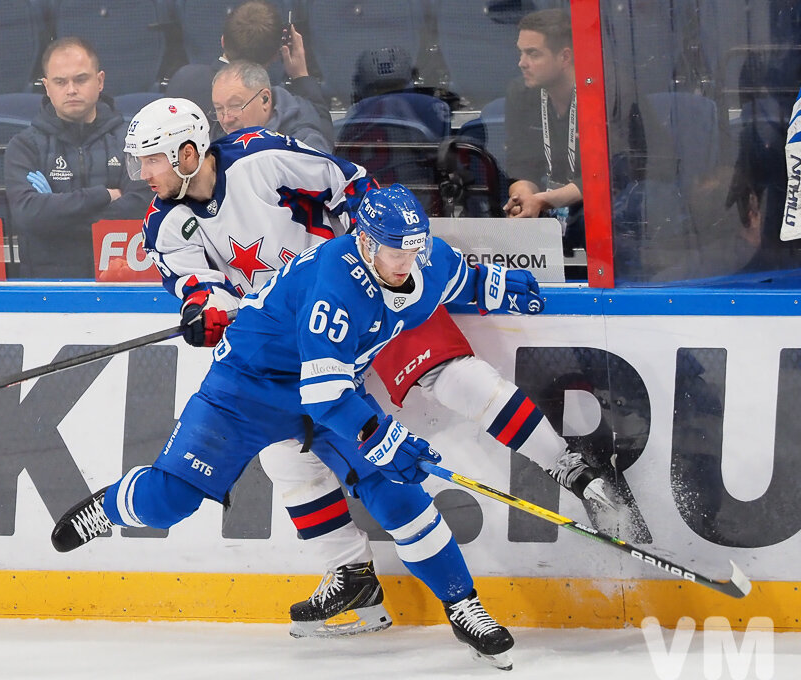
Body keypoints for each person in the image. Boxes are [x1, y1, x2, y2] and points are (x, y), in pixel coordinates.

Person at [117, 98, 624, 639]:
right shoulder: (164, 224)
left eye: (152, 159)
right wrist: (207, 309)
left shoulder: (258, 158)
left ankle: (569, 467)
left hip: (370, 292)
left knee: (456, 376)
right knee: (289, 458)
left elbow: (352, 184)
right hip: (297, 334)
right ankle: (352, 578)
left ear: (187, 151)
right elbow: (196, 288)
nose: (143, 174)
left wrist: (378, 258)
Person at [52, 184, 547, 670]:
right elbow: (326, 396)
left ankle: (463, 606)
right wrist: (387, 440)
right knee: (168, 502)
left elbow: (460, 280)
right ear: (367, 243)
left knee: (396, 490)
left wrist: (501, 289)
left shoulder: (424, 258)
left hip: (326, 386)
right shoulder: (336, 282)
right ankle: (109, 507)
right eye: (396, 251)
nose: (407, 262)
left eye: (414, 249)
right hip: (246, 387)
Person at [4, 37, 151, 278]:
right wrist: (103, 195)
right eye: (60, 82)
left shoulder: (132, 139)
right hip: (46, 285)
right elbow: (27, 215)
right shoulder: (23, 145)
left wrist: (56, 213)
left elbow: (141, 207)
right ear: (47, 86)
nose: (71, 89)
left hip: (121, 278)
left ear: (100, 81)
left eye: (81, 79)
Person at [167, 0, 329, 141]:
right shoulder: (278, 103)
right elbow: (323, 141)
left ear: (223, 41)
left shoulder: (183, 80)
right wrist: (301, 75)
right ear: (276, 54)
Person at [503, 9, 585, 254]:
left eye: (533, 54)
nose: (522, 63)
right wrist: (524, 197)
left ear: (564, 57)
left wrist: (544, 201)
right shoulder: (520, 93)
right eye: (521, 52)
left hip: (599, 206)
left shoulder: (603, 92)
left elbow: (611, 177)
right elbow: (521, 166)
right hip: (547, 200)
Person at [211, 60, 334, 153]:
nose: (226, 119)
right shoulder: (214, 140)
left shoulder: (304, 144)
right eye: (219, 109)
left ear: (265, 99)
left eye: (235, 106)